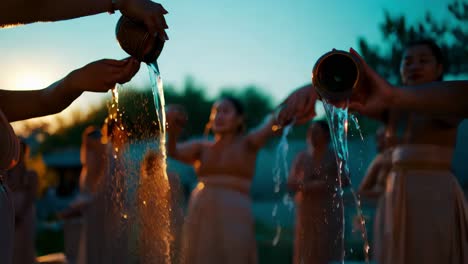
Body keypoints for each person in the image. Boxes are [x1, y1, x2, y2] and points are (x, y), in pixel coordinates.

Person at [166, 93, 306, 264]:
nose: (219, 116)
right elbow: (173, 151)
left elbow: (269, 125)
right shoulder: (201, 147)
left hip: (235, 214)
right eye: (216, 111)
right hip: (201, 210)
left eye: (225, 111)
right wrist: (172, 131)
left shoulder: (248, 143)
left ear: (240, 119)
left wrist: (283, 112)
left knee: (235, 254)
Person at [287, 120, 342, 264]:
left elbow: (345, 180)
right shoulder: (302, 157)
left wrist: (326, 184)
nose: (312, 135)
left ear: (326, 135)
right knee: (305, 247)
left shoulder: (334, 156)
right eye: (310, 131)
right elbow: (291, 181)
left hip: (328, 210)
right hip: (306, 210)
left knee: (328, 247)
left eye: (316, 132)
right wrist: (309, 185)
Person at [357, 126, 393, 261]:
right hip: (384, 209)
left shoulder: (404, 155)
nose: (381, 140)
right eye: (379, 137)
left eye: (384, 136)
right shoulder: (380, 160)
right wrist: (383, 193)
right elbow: (362, 190)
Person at [5, 141, 38, 264]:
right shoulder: (6, 174)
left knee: (25, 246)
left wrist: (20, 215)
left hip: (25, 214)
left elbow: (31, 196)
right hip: (9, 213)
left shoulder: (30, 174)